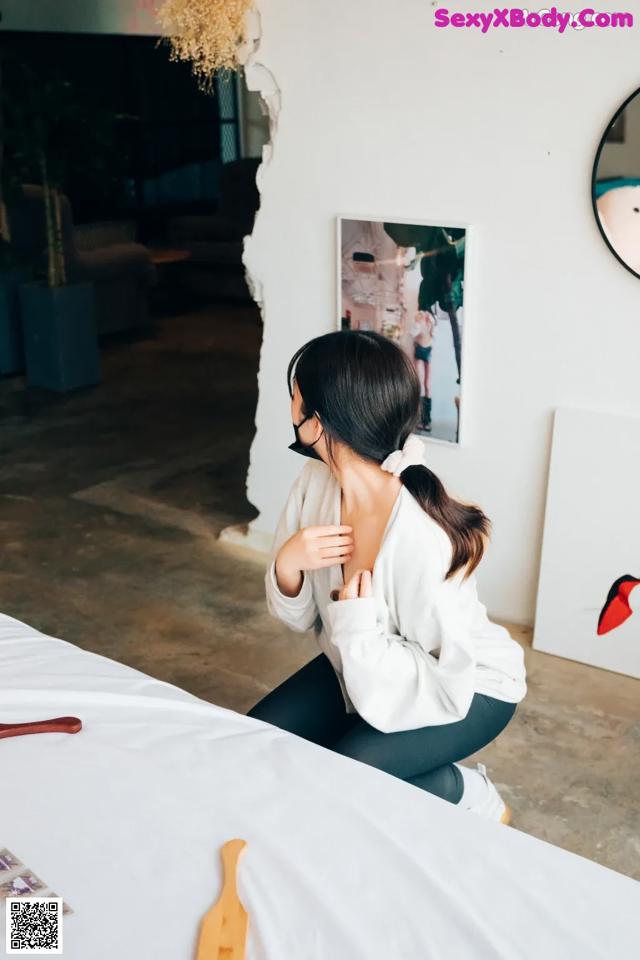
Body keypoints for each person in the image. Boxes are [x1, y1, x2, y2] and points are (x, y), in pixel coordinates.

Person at [248, 330, 527, 822]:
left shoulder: (420, 536)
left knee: (345, 775)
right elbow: (298, 620)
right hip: (360, 665)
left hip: (465, 686)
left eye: (294, 396)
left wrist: (355, 626)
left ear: (316, 421)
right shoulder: (314, 485)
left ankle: (467, 791)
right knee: (252, 744)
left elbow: (443, 676)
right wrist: (289, 562)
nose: (289, 407)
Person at [410, 309, 436, 431]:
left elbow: (434, 332)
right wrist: (418, 322)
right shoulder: (418, 322)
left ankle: (427, 420)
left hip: (428, 351)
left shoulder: (430, 322)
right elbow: (412, 333)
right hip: (420, 350)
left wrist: (429, 321)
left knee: (428, 385)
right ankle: (421, 419)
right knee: (420, 385)